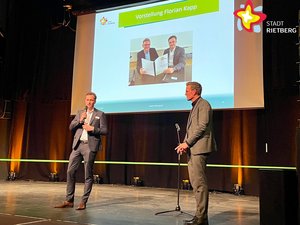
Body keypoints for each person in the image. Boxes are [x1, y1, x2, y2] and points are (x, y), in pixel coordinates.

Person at [55, 92, 108, 210]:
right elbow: (71, 127)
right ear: (85, 101)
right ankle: (69, 200)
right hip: (77, 145)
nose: (89, 102)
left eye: (91, 100)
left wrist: (93, 129)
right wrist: (80, 120)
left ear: (95, 101)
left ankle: (83, 201)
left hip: (90, 146)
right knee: (70, 171)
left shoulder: (100, 114)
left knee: (87, 175)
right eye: (87, 100)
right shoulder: (80, 113)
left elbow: (104, 130)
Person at [175, 82, 217, 225]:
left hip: (200, 149)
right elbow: (191, 130)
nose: (185, 93)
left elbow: (201, 126)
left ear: (195, 91)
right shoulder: (195, 106)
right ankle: (200, 217)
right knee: (195, 183)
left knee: (199, 184)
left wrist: (187, 143)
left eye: (187, 90)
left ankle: (201, 218)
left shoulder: (204, 104)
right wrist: (184, 144)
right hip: (194, 148)